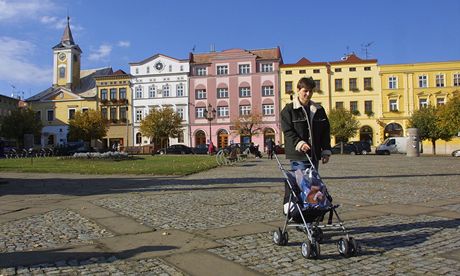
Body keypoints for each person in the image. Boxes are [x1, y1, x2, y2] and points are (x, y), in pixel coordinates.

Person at [280, 77, 332, 171]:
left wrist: (325, 151)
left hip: (314, 154)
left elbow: (325, 131)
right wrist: (299, 143)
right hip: (298, 155)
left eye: (311, 91)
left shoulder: (319, 109)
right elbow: (288, 131)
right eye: (305, 91)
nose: (308, 94)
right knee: (303, 182)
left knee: (313, 183)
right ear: (298, 90)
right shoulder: (288, 110)